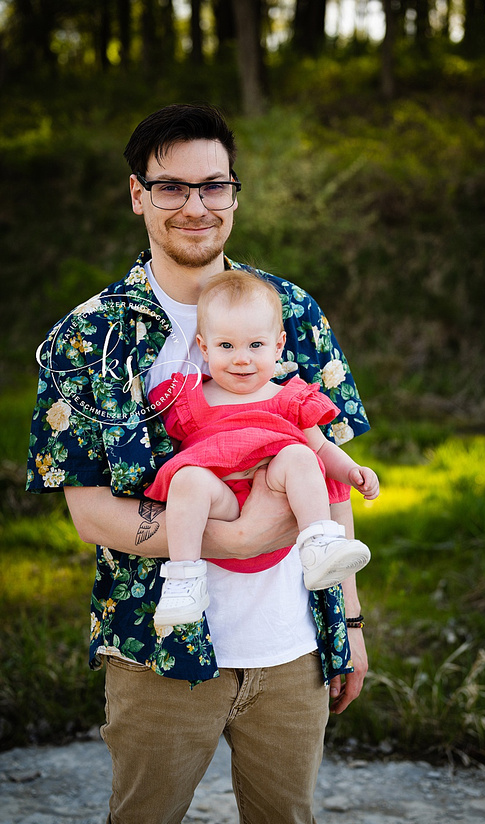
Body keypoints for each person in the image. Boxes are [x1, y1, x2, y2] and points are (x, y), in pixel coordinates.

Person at [26, 103, 372, 823]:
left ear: (234, 195)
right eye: (171, 187)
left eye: (214, 186)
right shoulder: (89, 338)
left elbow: (331, 475)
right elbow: (91, 514)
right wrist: (239, 539)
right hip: (157, 648)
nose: (196, 206)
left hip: (293, 645)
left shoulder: (292, 313)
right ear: (137, 195)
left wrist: (353, 625)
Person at [143, 270, 379, 629]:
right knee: (187, 478)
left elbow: (322, 447)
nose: (242, 359)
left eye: (255, 345)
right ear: (204, 348)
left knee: (301, 455)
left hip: (275, 498)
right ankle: (184, 579)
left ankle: (318, 542)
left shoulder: (290, 399)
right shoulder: (189, 400)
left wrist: (351, 471)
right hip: (219, 506)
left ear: (278, 345)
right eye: (226, 346)